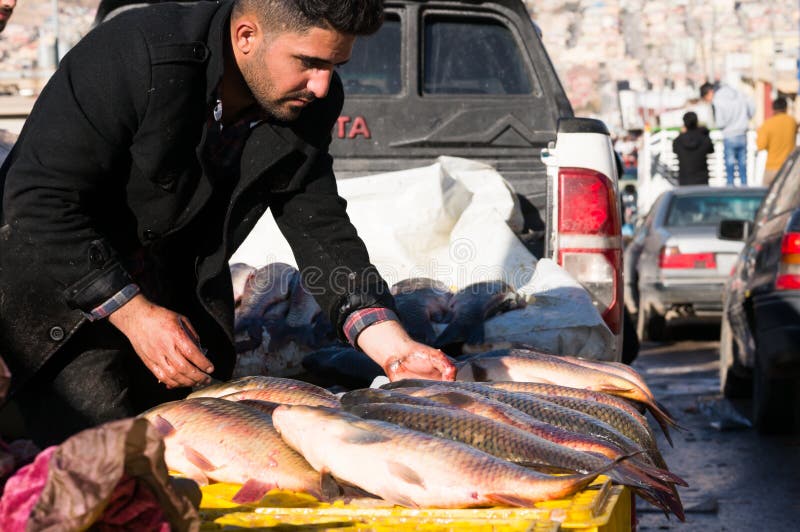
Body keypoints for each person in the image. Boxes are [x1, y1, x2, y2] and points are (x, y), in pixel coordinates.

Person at [0, 0, 456, 446]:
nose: (321, 85)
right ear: (247, 37)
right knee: (106, 460)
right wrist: (136, 316)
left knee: (209, 444)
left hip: (175, 309)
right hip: (57, 293)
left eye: (335, 65)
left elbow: (319, 226)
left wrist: (394, 348)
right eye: (310, 62)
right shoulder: (136, 53)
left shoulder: (309, 100)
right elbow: (38, 199)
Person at [700, 81, 754, 186]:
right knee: (743, 167)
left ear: (709, 93)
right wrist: (746, 119)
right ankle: (745, 190)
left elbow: (720, 122)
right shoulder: (737, 93)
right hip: (742, 133)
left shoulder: (718, 100)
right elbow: (751, 106)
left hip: (729, 135)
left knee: (730, 169)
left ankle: (730, 192)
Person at [756, 97, 798, 187]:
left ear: (773, 109)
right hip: (788, 167)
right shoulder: (792, 122)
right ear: (786, 108)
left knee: (765, 195)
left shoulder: (767, 124)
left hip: (771, 168)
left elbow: (760, 146)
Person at [672, 111, 714, 186]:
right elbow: (711, 149)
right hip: (702, 181)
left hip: (685, 181)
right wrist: (704, 132)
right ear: (697, 122)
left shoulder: (678, 141)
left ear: (684, 123)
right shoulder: (704, 138)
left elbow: (675, 149)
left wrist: (681, 133)